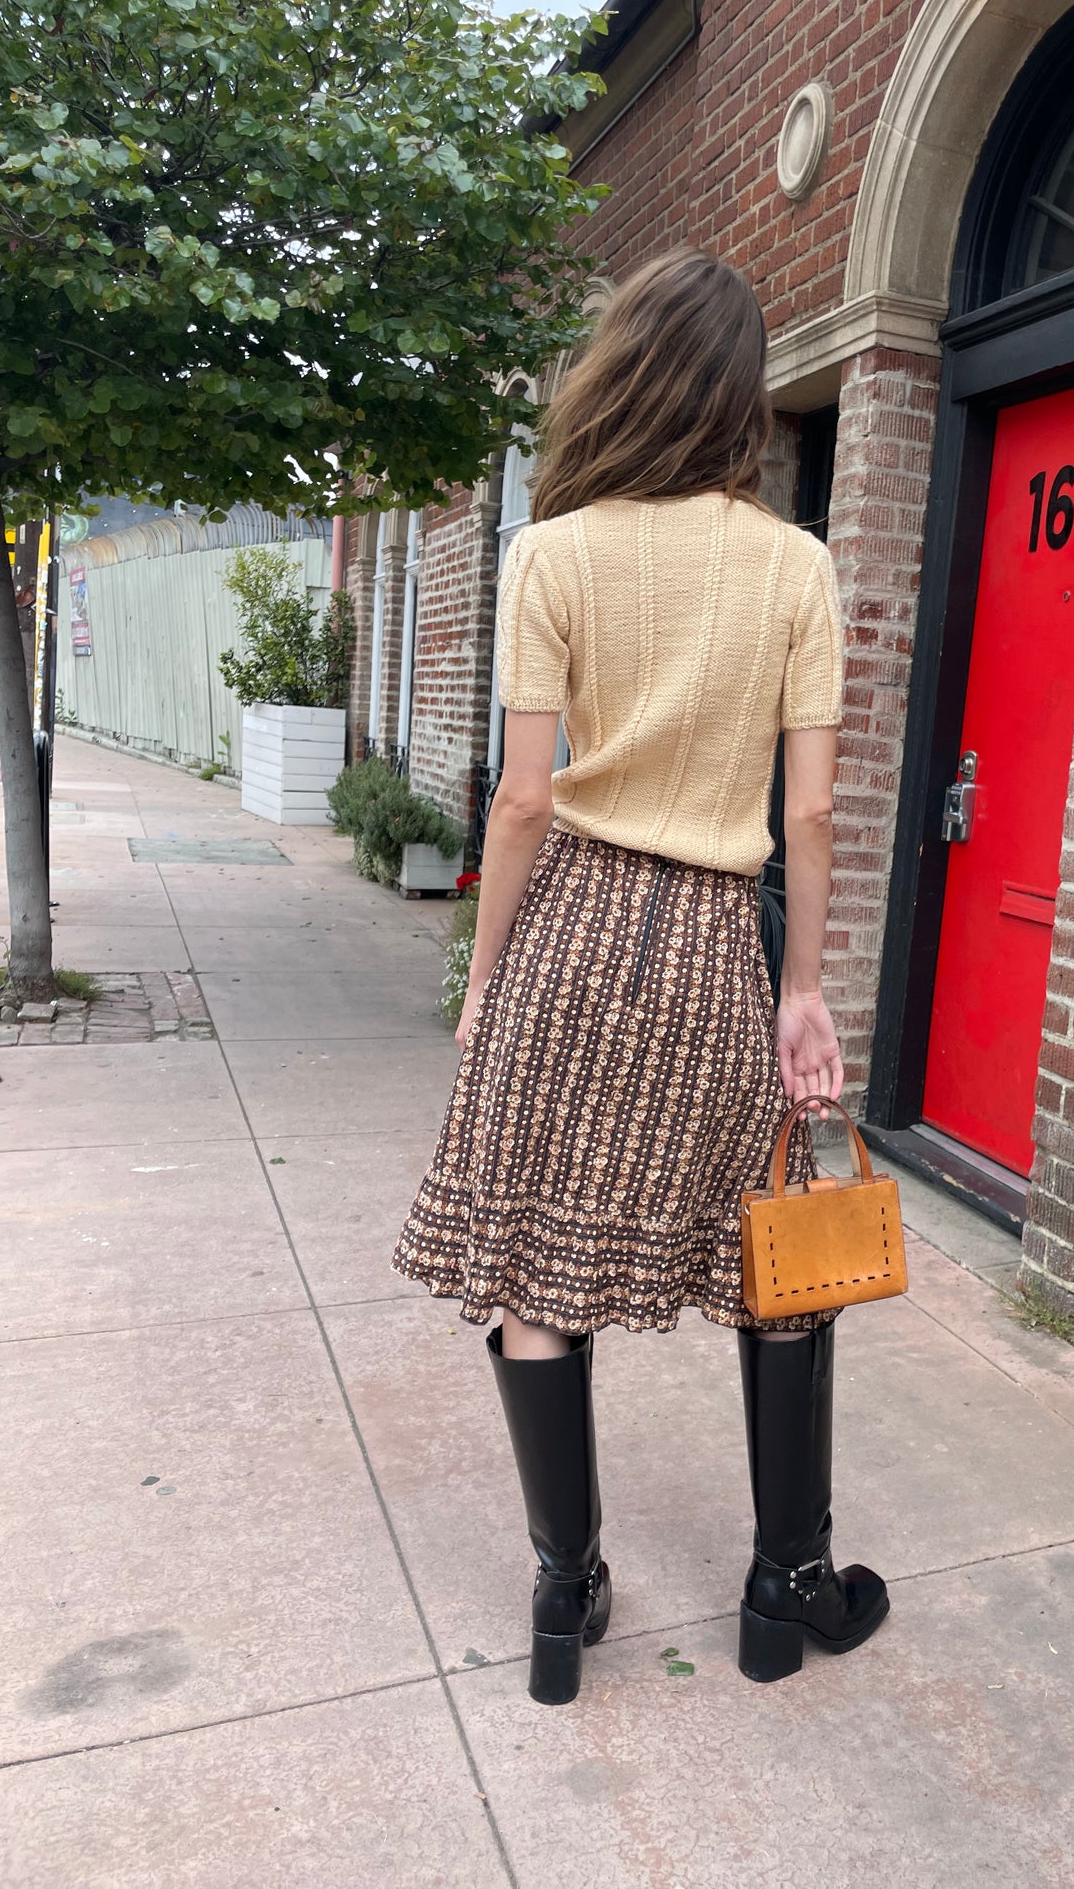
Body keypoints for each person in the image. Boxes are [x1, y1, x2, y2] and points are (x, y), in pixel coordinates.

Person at [395, 248, 888, 1705]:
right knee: (773, 1256)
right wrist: (801, 987)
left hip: (563, 932)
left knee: (536, 1266)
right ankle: (782, 1584)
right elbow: (807, 811)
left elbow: (523, 800)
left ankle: (565, 1591)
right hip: (707, 943)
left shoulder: (550, 550)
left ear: (616, 372)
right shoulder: (796, 566)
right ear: (741, 403)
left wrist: (482, 982)